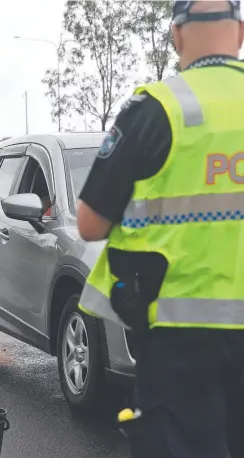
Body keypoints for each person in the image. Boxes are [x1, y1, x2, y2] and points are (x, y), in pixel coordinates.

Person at [76, 1, 244, 457]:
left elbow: (90, 223)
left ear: (176, 35)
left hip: (180, 336)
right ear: (241, 33)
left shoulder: (156, 108)